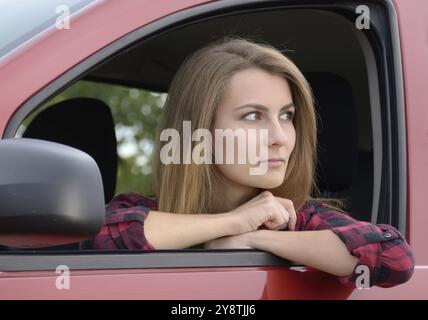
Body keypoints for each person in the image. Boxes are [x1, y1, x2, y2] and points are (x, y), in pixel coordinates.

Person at [80, 37, 414, 288]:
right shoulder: (141, 211)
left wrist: (255, 238)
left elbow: (393, 257)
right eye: (253, 116)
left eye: (286, 116)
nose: (280, 136)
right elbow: (92, 238)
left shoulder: (295, 218)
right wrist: (231, 223)